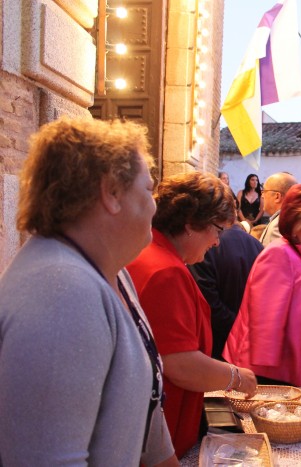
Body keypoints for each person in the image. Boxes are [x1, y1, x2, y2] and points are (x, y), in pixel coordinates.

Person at [0, 118, 176, 465]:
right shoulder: (61, 293)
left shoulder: (114, 274)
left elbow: (143, 412)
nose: (154, 206)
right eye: (148, 189)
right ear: (111, 192)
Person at [127, 172, 257, 458]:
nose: (218, 243)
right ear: (190, 225)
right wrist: (236, 377)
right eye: (218, 230)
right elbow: (180, 364)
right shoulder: (166, 271)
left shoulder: (151, 254)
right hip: (158, 433)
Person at [224, 184, 301, 387]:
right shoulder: (280, 254)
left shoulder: (299, 253)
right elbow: (265, 324)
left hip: (279, 368)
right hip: (269, 371)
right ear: (297, 222)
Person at [189, 212, 264, 360]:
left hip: (216, 344)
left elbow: (207, 302)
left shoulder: (205, 245)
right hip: (248, 343)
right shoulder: (257, 245)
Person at [259, 172, 297, 246]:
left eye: (264, 191)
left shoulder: (280, 224)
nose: (262, 196)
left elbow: (283, 255)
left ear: (277, 196)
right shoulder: (291, 219)